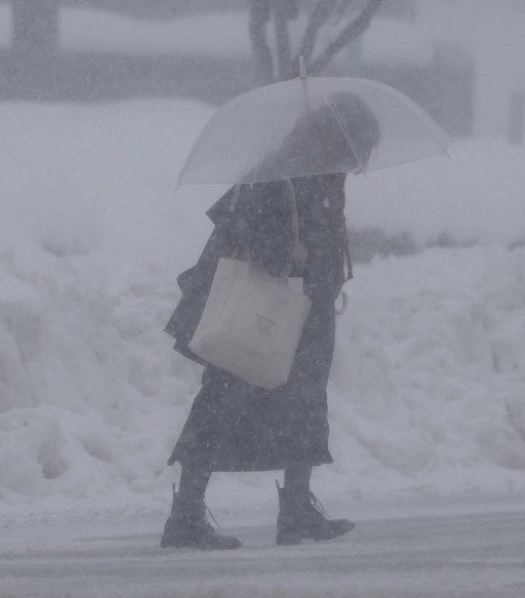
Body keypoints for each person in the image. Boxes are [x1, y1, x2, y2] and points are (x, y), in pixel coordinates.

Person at [161, 94, 380, 549]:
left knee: (302, 408)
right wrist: (287, 251)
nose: (354, 165)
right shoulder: (279, 171)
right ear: (335, 140)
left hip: (297, 311)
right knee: (221, 406)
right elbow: (240, 228)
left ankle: (296, 511)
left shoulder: (316, 174)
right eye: (353, 152)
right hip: (258, 313)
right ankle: (186, 517)